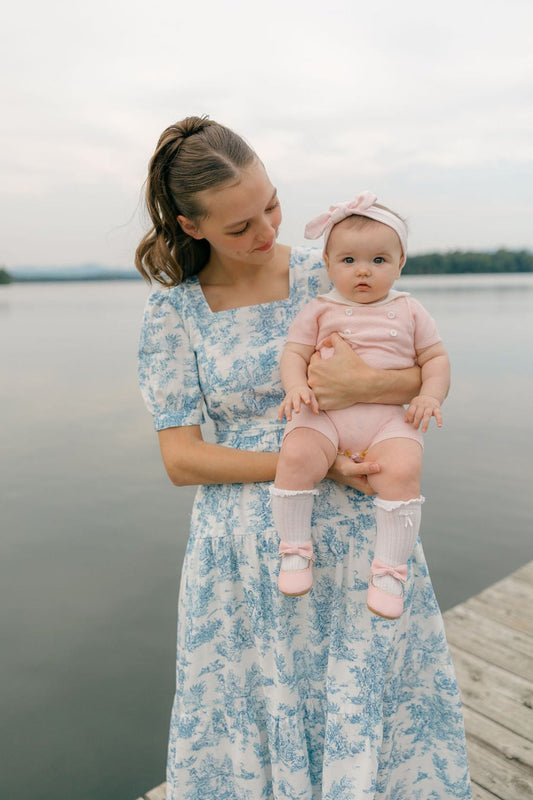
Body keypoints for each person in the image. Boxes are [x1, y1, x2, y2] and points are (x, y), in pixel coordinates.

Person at [136, 116, 472, 799]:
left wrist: (368, 389)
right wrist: (306, 463)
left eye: (271, 205)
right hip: (242, 557)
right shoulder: (173, 313)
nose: (264, 233)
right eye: (239, 227)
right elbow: (181, 459)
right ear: (191, 226)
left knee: (369, 703)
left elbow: (423, 369)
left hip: (356, 532)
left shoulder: (332, 271)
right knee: (253, 718)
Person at [272, 192, 450, 620]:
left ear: (400, 262)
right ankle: (295, 548)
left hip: (388, 421)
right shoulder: (319, 309)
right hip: (326, 417)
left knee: (403, 469)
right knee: (296, 453)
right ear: (329, 265)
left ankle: (390, 569)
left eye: (379, 260)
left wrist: (429, 394)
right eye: (348, 260)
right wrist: (295, 387)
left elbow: (437, 359)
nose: (363, 271)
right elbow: (294, 354)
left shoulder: (410, 310)